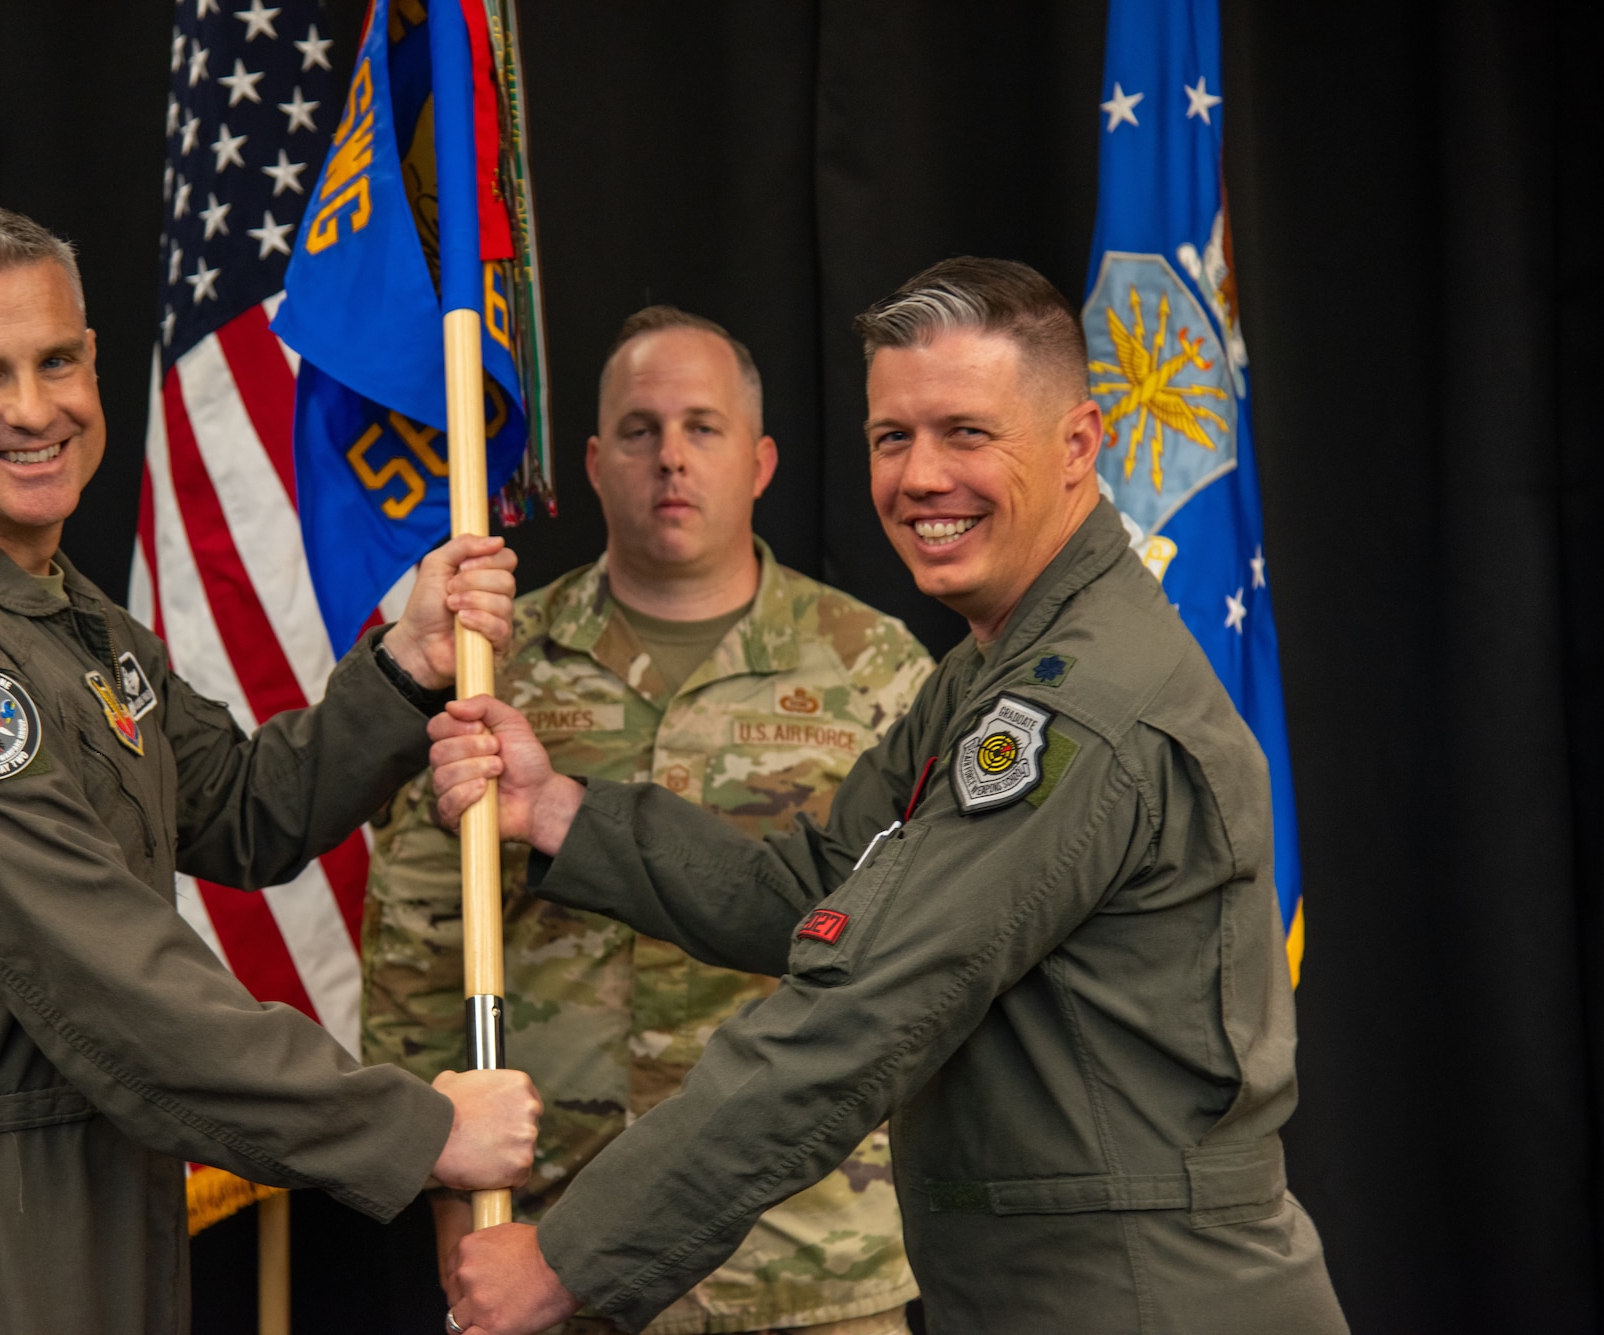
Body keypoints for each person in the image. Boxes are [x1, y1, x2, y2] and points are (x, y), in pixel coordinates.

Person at [430, 259, 1347, 1335]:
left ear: (1078, 446)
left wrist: (570, 1257)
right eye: (890, 438)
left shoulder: (1072, 706)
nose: (918, 478)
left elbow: (862, 1010)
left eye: (966, 433)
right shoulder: (993, 665)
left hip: (1143, 1297)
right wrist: (561, 814)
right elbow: (818, 886)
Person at [0, 205, 542, 1334]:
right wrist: (416, 1132)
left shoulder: (51, 609)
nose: (34, 410)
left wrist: (405, 664)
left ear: (93, 358)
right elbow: (113, 984)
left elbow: (239, 813)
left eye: (57, 361)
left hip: (94, 1206)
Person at [364, 307, 931, 1335]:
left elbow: (922, 957)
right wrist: (447, 1199)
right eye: (639, 430)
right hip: (546, 1248)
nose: (670, 457)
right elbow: (415, 941)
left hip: (809, 1253)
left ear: (759, 463)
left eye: (702, 429)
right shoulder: (498, 663)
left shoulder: (875, 669)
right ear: (590, 461)